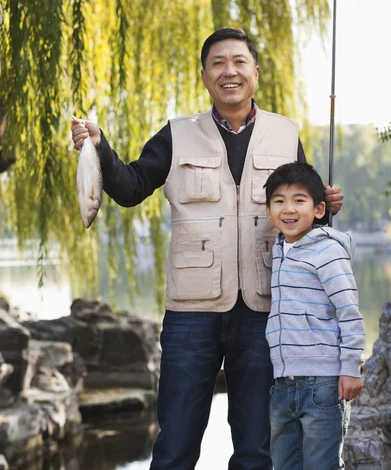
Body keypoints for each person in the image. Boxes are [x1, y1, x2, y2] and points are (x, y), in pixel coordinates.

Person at [71, 28, 344, 470]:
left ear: (255, 72)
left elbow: (299, 219)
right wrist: (99, 148)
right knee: (176, 444)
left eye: (239, 62)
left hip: (264, 311)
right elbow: (130, 188)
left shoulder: (284, 134)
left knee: (258, 450)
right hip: (190, 316)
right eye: (218, 63)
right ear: (204, 76)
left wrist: (325, 208)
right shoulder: (177, 134)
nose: (229, 71)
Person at [264, 161, 365, 470]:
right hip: (282, 382)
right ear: (269, 211)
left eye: (299, 200)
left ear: (319, 209)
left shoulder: (327, 252)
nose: (288, 209)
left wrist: (350, 367)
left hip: (322, 383)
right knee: (283, 465)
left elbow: (349, 312)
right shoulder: (280, 249)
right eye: (279, 201)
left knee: (322, 465)